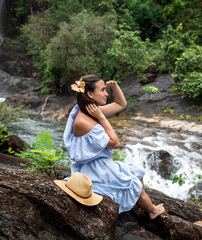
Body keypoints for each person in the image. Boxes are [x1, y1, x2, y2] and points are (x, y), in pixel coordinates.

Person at [63, 74, 165, 219]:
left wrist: (115, 87)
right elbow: (116, 144)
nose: (106, 94)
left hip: (101, 164)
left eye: (106, 89)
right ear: (90, 94)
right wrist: (102, 118)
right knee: (132, 181)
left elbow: (121, 105)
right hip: (96, 169)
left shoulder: (87, 109)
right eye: (103, 90)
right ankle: (153, 211)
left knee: (137, 172)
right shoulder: (85, 121)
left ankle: (142, 205)